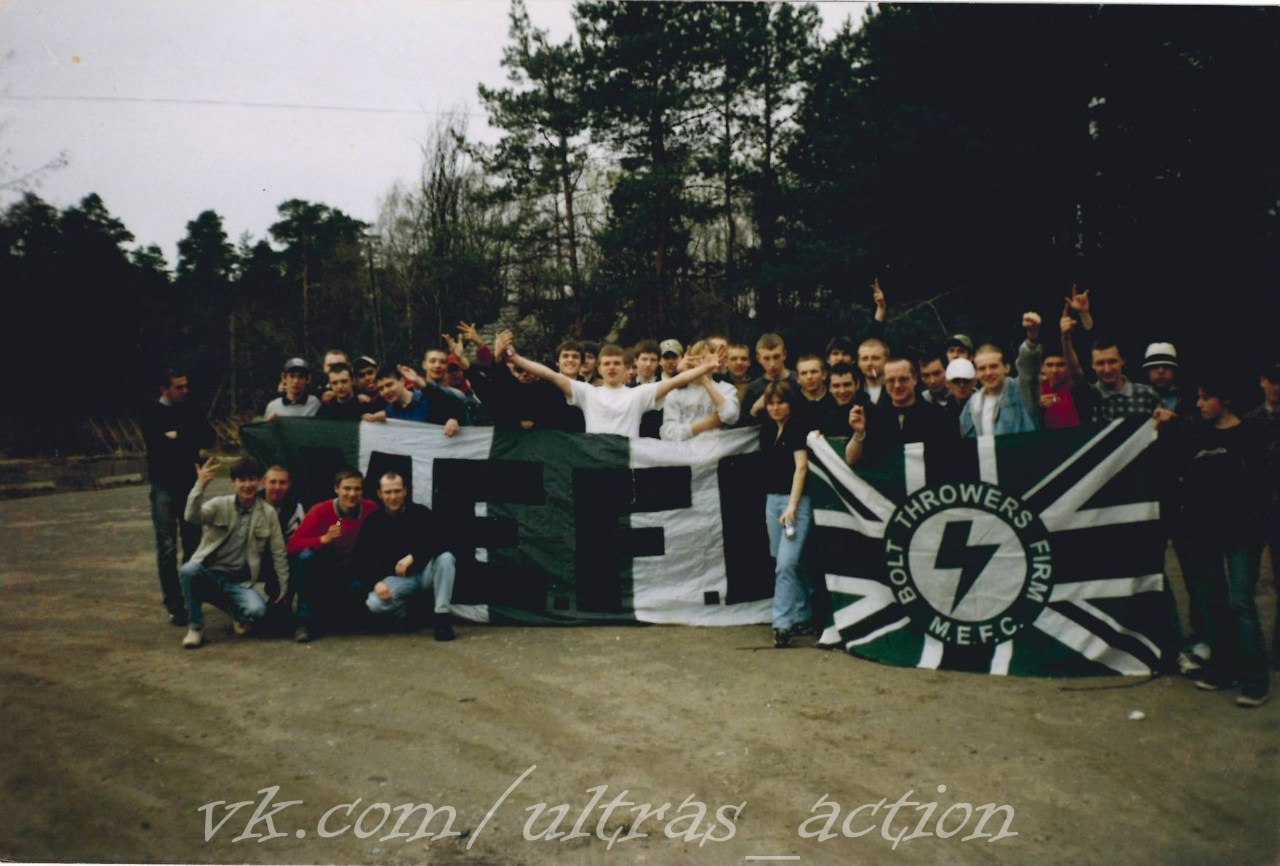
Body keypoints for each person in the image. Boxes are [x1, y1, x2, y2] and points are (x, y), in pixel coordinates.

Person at [1163, 375, 1270, 708]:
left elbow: (1261, 488)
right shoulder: (1196, 433)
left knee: (1241, 602)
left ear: (1226, 400)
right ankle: (1224, 670)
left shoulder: (1251, 435)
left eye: (1206, 398)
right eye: (1198, 397)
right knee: (1214, 602)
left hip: (1242, 535)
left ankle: (1256, 680)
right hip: (1205, 534)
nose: (1199, 404)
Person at [178, 457, 288, 649]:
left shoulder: (269, 512)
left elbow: (279, 552)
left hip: (240, 581)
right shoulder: (220, 504)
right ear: (233, 482)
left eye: (252, 479)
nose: (247, 485)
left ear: (259, 481)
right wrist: (200, 485)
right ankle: (195, 628)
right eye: (242, 480)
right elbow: (191, 516)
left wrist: (284, 586)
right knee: (189, 570)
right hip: (210, 572)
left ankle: (235, 610)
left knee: (258, 611)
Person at [510, 341, 721, 438]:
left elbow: (676, 380)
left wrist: (707, 366)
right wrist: (513, 357)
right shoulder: (587, 392)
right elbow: (550, 374)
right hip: (594, 463)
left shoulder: (638, 394)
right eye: (607, 363)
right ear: (599, 368)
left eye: (616, 363)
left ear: (626, 368)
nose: (611, 367)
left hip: (626, 463)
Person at [140, 367, 215, 626]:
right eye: (179, 387)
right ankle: (174, 605)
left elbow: (209, 436)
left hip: (189, 486)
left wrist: (179, 436)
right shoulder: (150, 413)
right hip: (163, 486)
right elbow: (157, 445)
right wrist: (187, 438)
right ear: (164, 389)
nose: (185, 390)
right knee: (167, 546)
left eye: (186, 385)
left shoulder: (190, 410)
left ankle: (191, 597)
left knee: (193, 545)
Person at [355, 472, 458, 641]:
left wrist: (413, 557)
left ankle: (442, 618)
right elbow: (361, 558)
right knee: (374, 604)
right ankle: (409, 612)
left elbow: (444, 540)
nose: (393, 496)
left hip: (426, 574)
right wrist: (376, 582)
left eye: (397, 491)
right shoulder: (372, 522)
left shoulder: (421, 513)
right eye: (388, 492)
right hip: (399, 580)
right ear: (379, 494)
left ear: (405, 491)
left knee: (446, 558)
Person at [288, 467, 379, 642]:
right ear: (337, 489)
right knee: (306, 556)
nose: (352, 494)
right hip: (325, 567)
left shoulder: (370, 509)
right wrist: (323, 539)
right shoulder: (320, 511)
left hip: (352, 570)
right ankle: (304, 620)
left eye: (357, 489)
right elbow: (293, 545)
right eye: (347, 488)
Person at [759, 380, 814, 648]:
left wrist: (792, 506)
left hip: (796, 502)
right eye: (772, 403)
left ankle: (782, 624)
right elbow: (755, 409)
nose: (776, 407)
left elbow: (801, 468)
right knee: (788, 560)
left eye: (781, 402)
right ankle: (803, 613)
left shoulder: (797, 429)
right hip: (772, 500)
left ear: (791, 403)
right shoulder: (768, 429)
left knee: (786, 564)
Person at [845, 358, 958, 466]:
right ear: (884, 381)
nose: (897, 385)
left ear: (915, 379)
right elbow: (851, 459)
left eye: (903, 379)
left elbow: (951, 458)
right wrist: (858, 433)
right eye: (891, 380)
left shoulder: (939, 416)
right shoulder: (873, 416)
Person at [1243, 362, 1280, 666]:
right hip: (1255, 512)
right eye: (1273, 381)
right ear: (1262, 382)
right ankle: (1248, 650)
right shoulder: (1251, 422)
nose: (1277, 388)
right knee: (1245, 585)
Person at [659, 340, 740, 440]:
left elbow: (731, 417)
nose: (701, 363)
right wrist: (704, 425)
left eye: (706, 359)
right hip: (685, 452)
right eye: (698, 358)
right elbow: (668, 434)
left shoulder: (726, 388)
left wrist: (706, 382)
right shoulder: (675, 393)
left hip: (718, 451)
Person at [959, 343, 1037, 438]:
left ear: (1006, 368)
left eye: (993, 366)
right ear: (976, 373)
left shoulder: (1023, 393)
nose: (988, 373)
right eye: (982, 368)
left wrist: (1032, 339)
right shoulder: (971, 406)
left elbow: (1029, 369)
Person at [363, 364, 462, 435]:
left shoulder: (428, 398)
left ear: (401, 381)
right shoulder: (389, 412)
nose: (386, 391)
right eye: (381, 388)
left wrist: (453, 419)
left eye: (389, 385)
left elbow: (458, 403)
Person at [740, 333, 795, 425]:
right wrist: (755, 409)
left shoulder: (799, 381)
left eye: (776, 357)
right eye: (766, 358)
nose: (772, 364)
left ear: (784, 355)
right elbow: (743, 426)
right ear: (759, 359)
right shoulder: (753, 389)